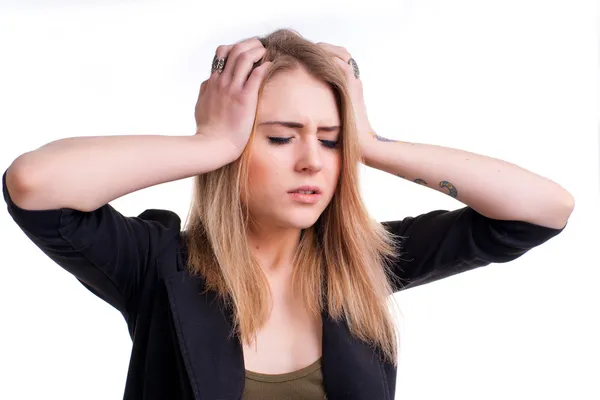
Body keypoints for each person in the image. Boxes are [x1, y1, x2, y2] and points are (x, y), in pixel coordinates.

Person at [2, 29, 573, 400]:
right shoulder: (160, 265)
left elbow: (543, 210)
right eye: (279, 138)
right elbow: (34, 185)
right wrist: (208, 144)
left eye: (329, 140)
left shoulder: (366, 264)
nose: (311, 162)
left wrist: (368, 141)